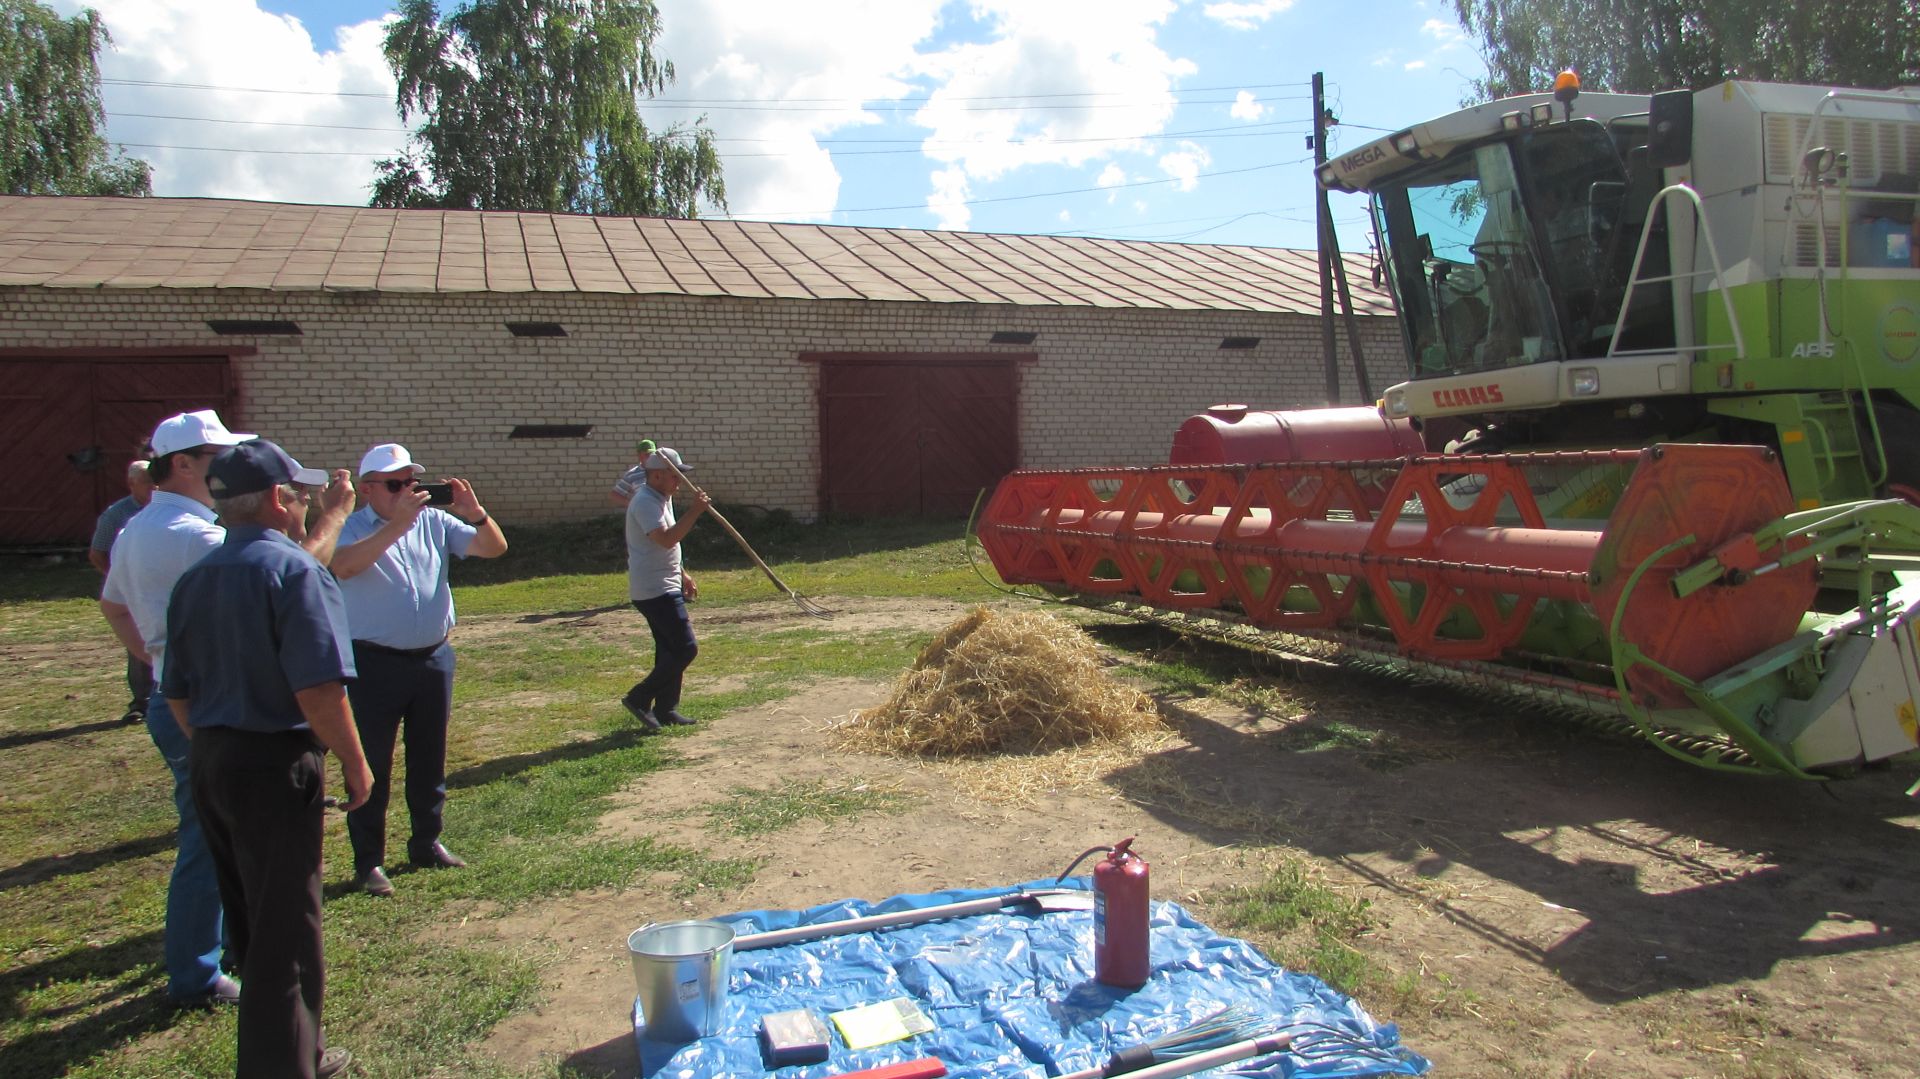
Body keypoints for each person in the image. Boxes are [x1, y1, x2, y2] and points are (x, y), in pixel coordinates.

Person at [99, 410, 354, 1009]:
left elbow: (113, 605)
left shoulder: (138, 527)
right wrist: (334, 516)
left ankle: (224, 950)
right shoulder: (200, 535)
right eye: (218, 458)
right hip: (223, 706)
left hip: (183, 694)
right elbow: (293, 568)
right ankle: (200, 969)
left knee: (215, 827)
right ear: (183, 464)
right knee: (212, 840)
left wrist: (156, 657)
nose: (228, 471)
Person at [164, 439, 371, 1079]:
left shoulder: (198, 576)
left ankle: (297, 1047)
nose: (305, 504)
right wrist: (356, 765)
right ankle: (283, 1066)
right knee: (288, 929)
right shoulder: (295, 572)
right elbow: (318, 690)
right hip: (273, 764)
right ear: (282, 501)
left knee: (252, 917)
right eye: (301, 494)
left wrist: (217, 746)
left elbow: (176, 692)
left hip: (213, 756)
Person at [330, 443, 507, 897]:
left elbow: (493, 548)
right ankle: (368, 860)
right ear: (368, 490)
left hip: (431, 657)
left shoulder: (433, 521)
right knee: (373, 763)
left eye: (412, 482)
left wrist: (476, 513)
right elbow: (344, 566)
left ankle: (426, 842)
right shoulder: (349, 527)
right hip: (373, 662)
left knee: (429, 756)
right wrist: (397, 526)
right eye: (395, 484)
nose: (408, 491)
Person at [621, 447, 711, 732]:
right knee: (686, 648)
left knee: (668, 649)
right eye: (675, 476)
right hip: (654, 588)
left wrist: (683, 574)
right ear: (657, 475)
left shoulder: (662, 498)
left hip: (667, 583)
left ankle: (666, 708)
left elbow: (669, 544)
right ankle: (639, 697)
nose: (680, 482)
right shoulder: (646, 502)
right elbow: (665, 539)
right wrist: (695, 512)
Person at [90, 458, 157, 724]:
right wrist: (119, 580)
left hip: (158, 583)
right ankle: (141, 703)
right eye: (147, 482)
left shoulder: (164, 510)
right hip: (133, 590)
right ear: (131, 484)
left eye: (156, 481)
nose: (154, 487)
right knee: (139, 644)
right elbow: (98, 553)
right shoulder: (117, 514)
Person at [607, 438, 657, 507]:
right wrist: (633, 504)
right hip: (641, 513)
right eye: (646, 454)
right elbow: (615, 494)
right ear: (639, 455)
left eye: (652, 454)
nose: (650, 457)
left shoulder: (661, 471)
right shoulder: (632, 474)